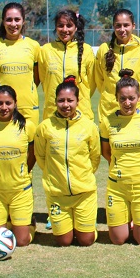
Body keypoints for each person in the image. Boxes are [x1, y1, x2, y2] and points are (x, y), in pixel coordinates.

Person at [35, 76, 101, 246]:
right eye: (61, 100)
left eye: (70, 100)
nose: (66, 105)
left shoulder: (89, 127)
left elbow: (95, 157)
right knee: (64, 241)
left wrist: (81, 176)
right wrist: (54, 175)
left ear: (78, 101)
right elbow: (41, 157)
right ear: (55, 101)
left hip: (84, 193)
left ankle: (86, 227)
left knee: (86, 241)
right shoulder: (45, 127)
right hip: (57, 194)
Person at [99, 70, 140, 245]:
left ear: (139, 97)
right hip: (117, 186)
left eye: (131, 98)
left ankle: (139, 222)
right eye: (122, 98)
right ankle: (129, 221)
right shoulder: (107, 122)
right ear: (116, 98)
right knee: (118, 240)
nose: (127, 103)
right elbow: (106, 152)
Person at [0, 85, 36, 247]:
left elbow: (33, 154)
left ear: (15, 103)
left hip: (20, 190)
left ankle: (30, 223)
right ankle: (9, 221)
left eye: (8, 103)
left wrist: (23, 172)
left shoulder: (27, 126)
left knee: (22, 241)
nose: (4, 107)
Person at [0, 3, 41, 124]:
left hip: (29, 108)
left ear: (23, 21)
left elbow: (36, 79)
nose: (13, 24)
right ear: (3, 22)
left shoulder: (34, 46)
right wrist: (1, 98)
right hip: (3, 109)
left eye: (17, 19)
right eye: (9, 20)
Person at [94, 9, 140, 122]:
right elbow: (99, 79)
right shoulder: (104, 49)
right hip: (109, 110)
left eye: (126, 25)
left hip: (136, 110)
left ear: (133, 26)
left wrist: (134, 97)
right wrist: (110, 96)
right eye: (118, 25)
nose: (122, 29)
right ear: (113, 26)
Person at [38, 9, 96, 121]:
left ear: (76, 27)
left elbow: (91, 84)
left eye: (69, 26)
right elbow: (44, 82)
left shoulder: (87, 50)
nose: (65, 30)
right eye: (60, 25)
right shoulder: (46, 51)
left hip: (81, 114)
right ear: (56, 27)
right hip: (52, 114)